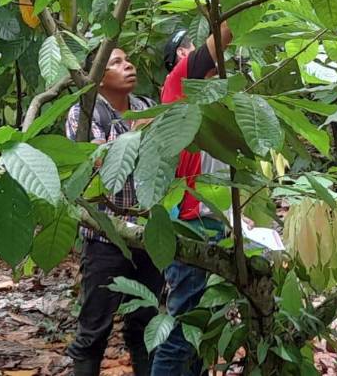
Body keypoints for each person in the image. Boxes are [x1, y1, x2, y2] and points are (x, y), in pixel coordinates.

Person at [64, 48, 164, 376]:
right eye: (116, 63)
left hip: (147, 233)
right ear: (98, 76)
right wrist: (138, 134)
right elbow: (97, 164)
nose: (128, 65)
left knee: (145, 324)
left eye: (127, 60)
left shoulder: (147, 107)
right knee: (94, 329)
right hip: (106, 237)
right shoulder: (84, 113)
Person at [150, 21, 232, 376]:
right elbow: (225, 34)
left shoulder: (212, 104)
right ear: (181, 57)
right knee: (183, 332)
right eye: (190, 46)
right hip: (190, 224)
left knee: (202, 331)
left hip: (211, 222)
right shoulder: (179, 82)